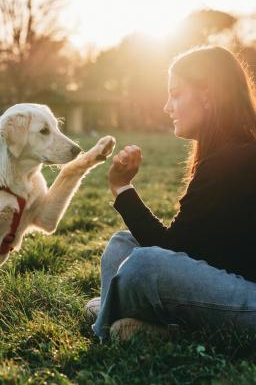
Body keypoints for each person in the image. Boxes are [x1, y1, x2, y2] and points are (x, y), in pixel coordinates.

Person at [86, 45, 256, 341]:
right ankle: (141, 324)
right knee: (122, 244)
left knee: (145, 263)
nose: (167, 106)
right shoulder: (222, 156)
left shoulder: (238, 159)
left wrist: (122, 189)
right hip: (229, 281)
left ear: (206, 95)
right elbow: (191, 250)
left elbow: (170, 249)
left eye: (176, 94)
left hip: (250, 301)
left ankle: (110, 320)